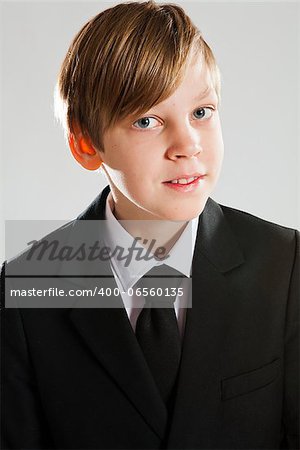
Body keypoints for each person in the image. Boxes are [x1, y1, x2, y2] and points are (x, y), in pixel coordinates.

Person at [1, 1, 299, 449]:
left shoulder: (285, 263)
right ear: (85, 144)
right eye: (147, 120)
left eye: (202, 112)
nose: (187, 145)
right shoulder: (28, 283)